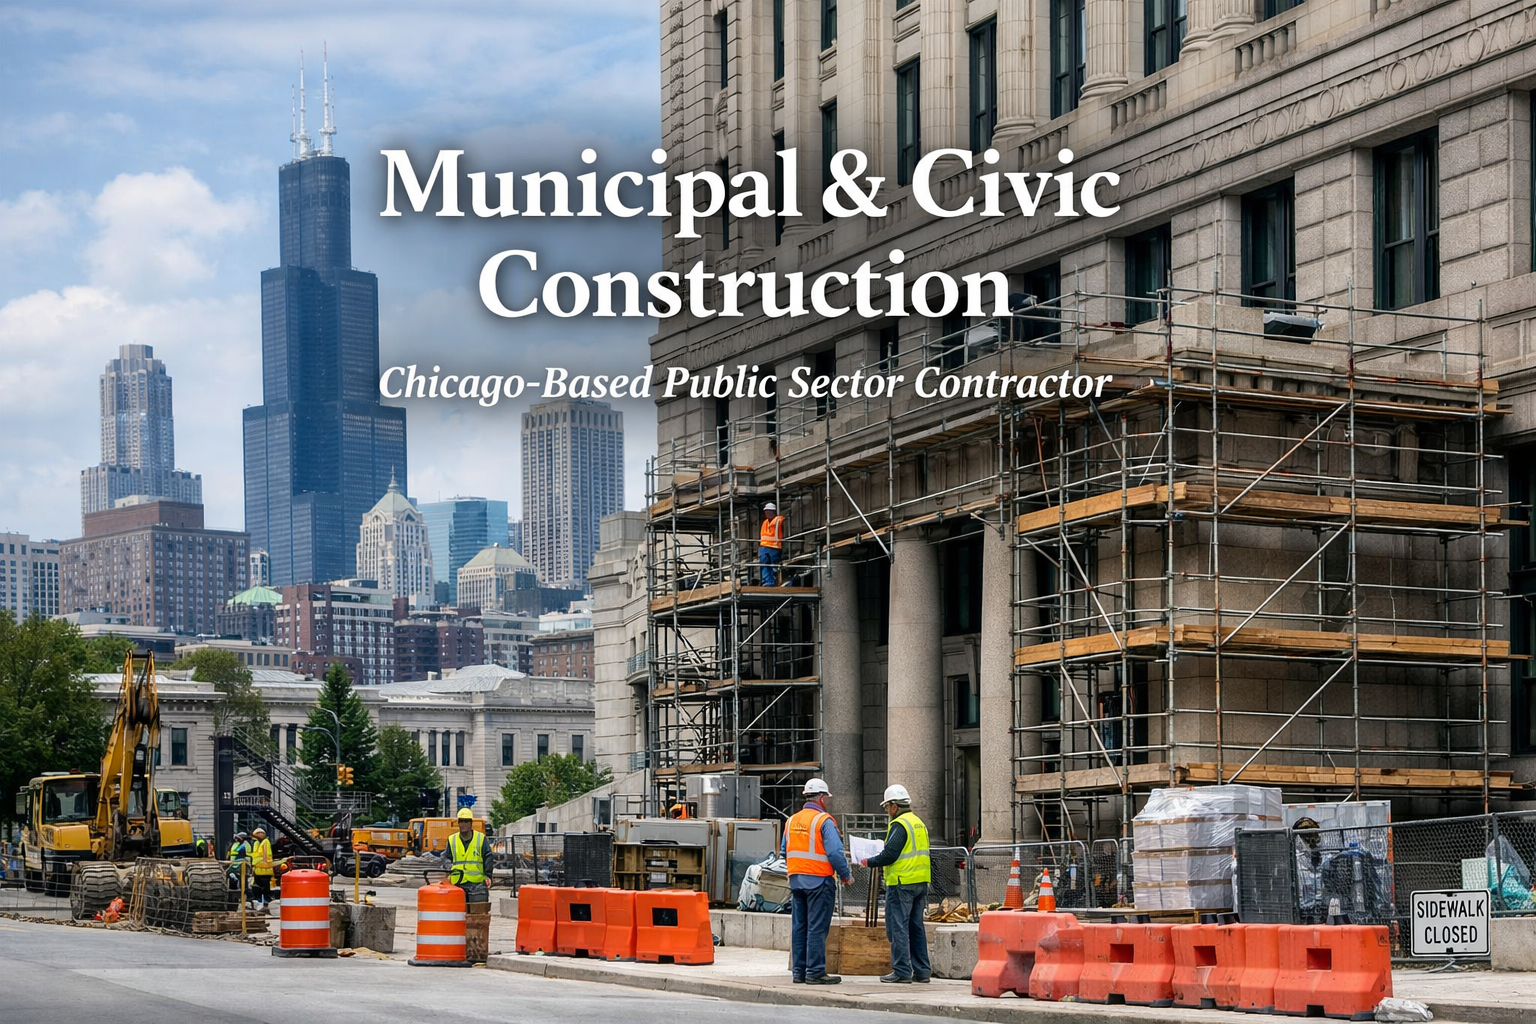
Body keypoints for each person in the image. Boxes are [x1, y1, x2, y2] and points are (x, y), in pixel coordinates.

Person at [857, 784, 931, 984]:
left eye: (887, 807)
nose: (887, 811)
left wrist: (869, 861)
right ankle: (922, 971)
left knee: (898, 927)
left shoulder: (900, 824)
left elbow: (890, 854)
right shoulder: (918, 822)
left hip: (902, 883)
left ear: (894, 806)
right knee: (916, 927)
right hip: (920, 882)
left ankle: (901, 971)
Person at [783, 778, 853, 985]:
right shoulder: (824, 821)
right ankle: (815, 972)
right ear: (822, 798)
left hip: (796, 881)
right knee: (816, 928)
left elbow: (782, 851)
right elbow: (835, 852)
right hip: (819, 881)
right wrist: (846, 875)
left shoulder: (791, 820)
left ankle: (799, 972)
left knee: (799, 926)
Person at [441, 808, 491, 906]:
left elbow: (488, 857)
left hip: (477, 883)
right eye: (461, 821)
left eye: (466, 821)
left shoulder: (480, 838)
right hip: (458, 883)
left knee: (478, 914)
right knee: (457, 915)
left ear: (471, 823)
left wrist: (488, 875)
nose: (463, 824)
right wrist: (449, 870)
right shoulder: (452, 839)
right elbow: (446, 857)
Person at [759, 503, 787, 586]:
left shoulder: (779, 520)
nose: (767, 513)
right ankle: (767, 582)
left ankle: (775, 582)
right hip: (764, 546)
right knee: (764, 565)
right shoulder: (765, 522)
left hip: (774, 546)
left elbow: (784, 521)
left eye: (768, 511)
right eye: (766, 511)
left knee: (774, 566)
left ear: (773, 511)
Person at [249, 828, 275, 908]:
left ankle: (266, 901)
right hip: (258, 870)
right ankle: (259, 900)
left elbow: (263, 856)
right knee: (257, 886)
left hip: (265, 870)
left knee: (265, 887)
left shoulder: (265, 843)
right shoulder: (258, 843)